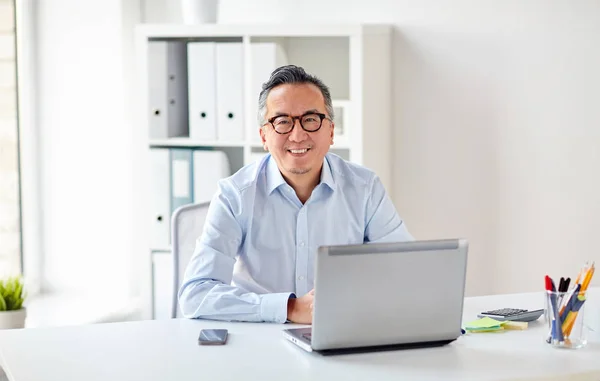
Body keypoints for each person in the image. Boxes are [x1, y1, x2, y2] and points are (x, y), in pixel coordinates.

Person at [178, 65, 413, 324]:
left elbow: (404, 271)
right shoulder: (235, 195)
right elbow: (196, 294)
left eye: (311, 119)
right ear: (264, 136)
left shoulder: (365, 188)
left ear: (331, 132)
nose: (298, 135)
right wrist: (288, 308)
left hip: (343, 334)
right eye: (282, 122)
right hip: (258, 338)